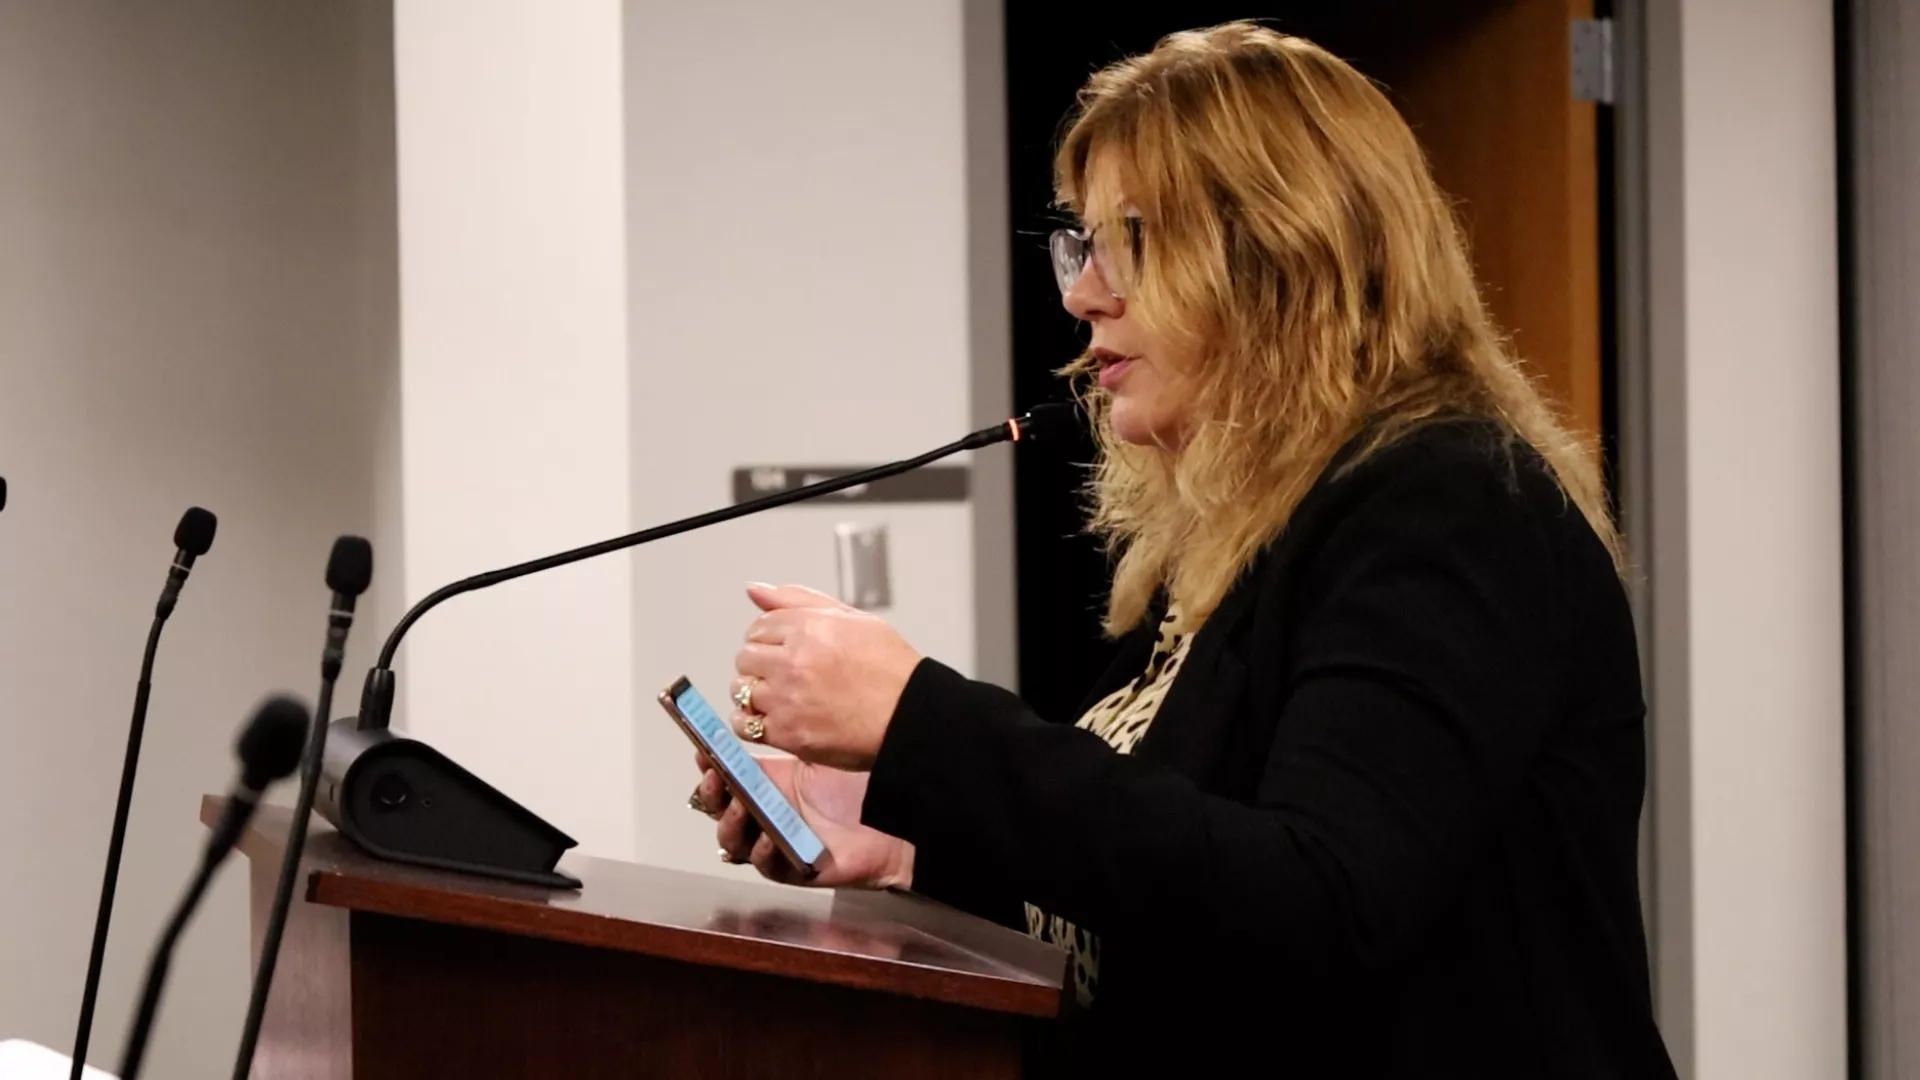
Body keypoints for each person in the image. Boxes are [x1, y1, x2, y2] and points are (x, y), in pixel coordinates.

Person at [689, 21, 1677, 1078]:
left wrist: (920, 720)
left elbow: (1317, 905)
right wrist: (907, 843)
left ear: (1283, 255)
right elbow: (1171, 893)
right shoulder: (1240, 541)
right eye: (1082, 245)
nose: (1082, 294)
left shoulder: (1453, 506)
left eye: (1132, 242)